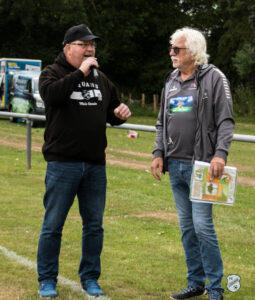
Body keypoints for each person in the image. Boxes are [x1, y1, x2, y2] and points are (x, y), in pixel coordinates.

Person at [37, 24, 131, 298]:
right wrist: (80, 73)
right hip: (62, 164)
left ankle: (90, 278)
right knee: (53, 224)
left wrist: (120, 112)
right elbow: (52, 96)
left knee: (94, 226)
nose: (90, 49)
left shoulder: (101, 78)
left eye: (92, 45)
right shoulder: (51, 74)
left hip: (94, 165)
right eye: (83, 44)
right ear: (67, 47)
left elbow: (111, 112)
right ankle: (47, 280)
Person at [151, 27, 234, 300]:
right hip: (175, 165)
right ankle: (195, 282)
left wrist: (220, 154)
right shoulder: (171, 80)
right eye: (171, 48)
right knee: (187, 227)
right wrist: (158, 153)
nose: (171, 53)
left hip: (204, 167)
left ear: (194, 52)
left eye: (177, 49)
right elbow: (163, 121)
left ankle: (215, 288)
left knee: (203, 227)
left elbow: (225, 121)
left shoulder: (214, 78)